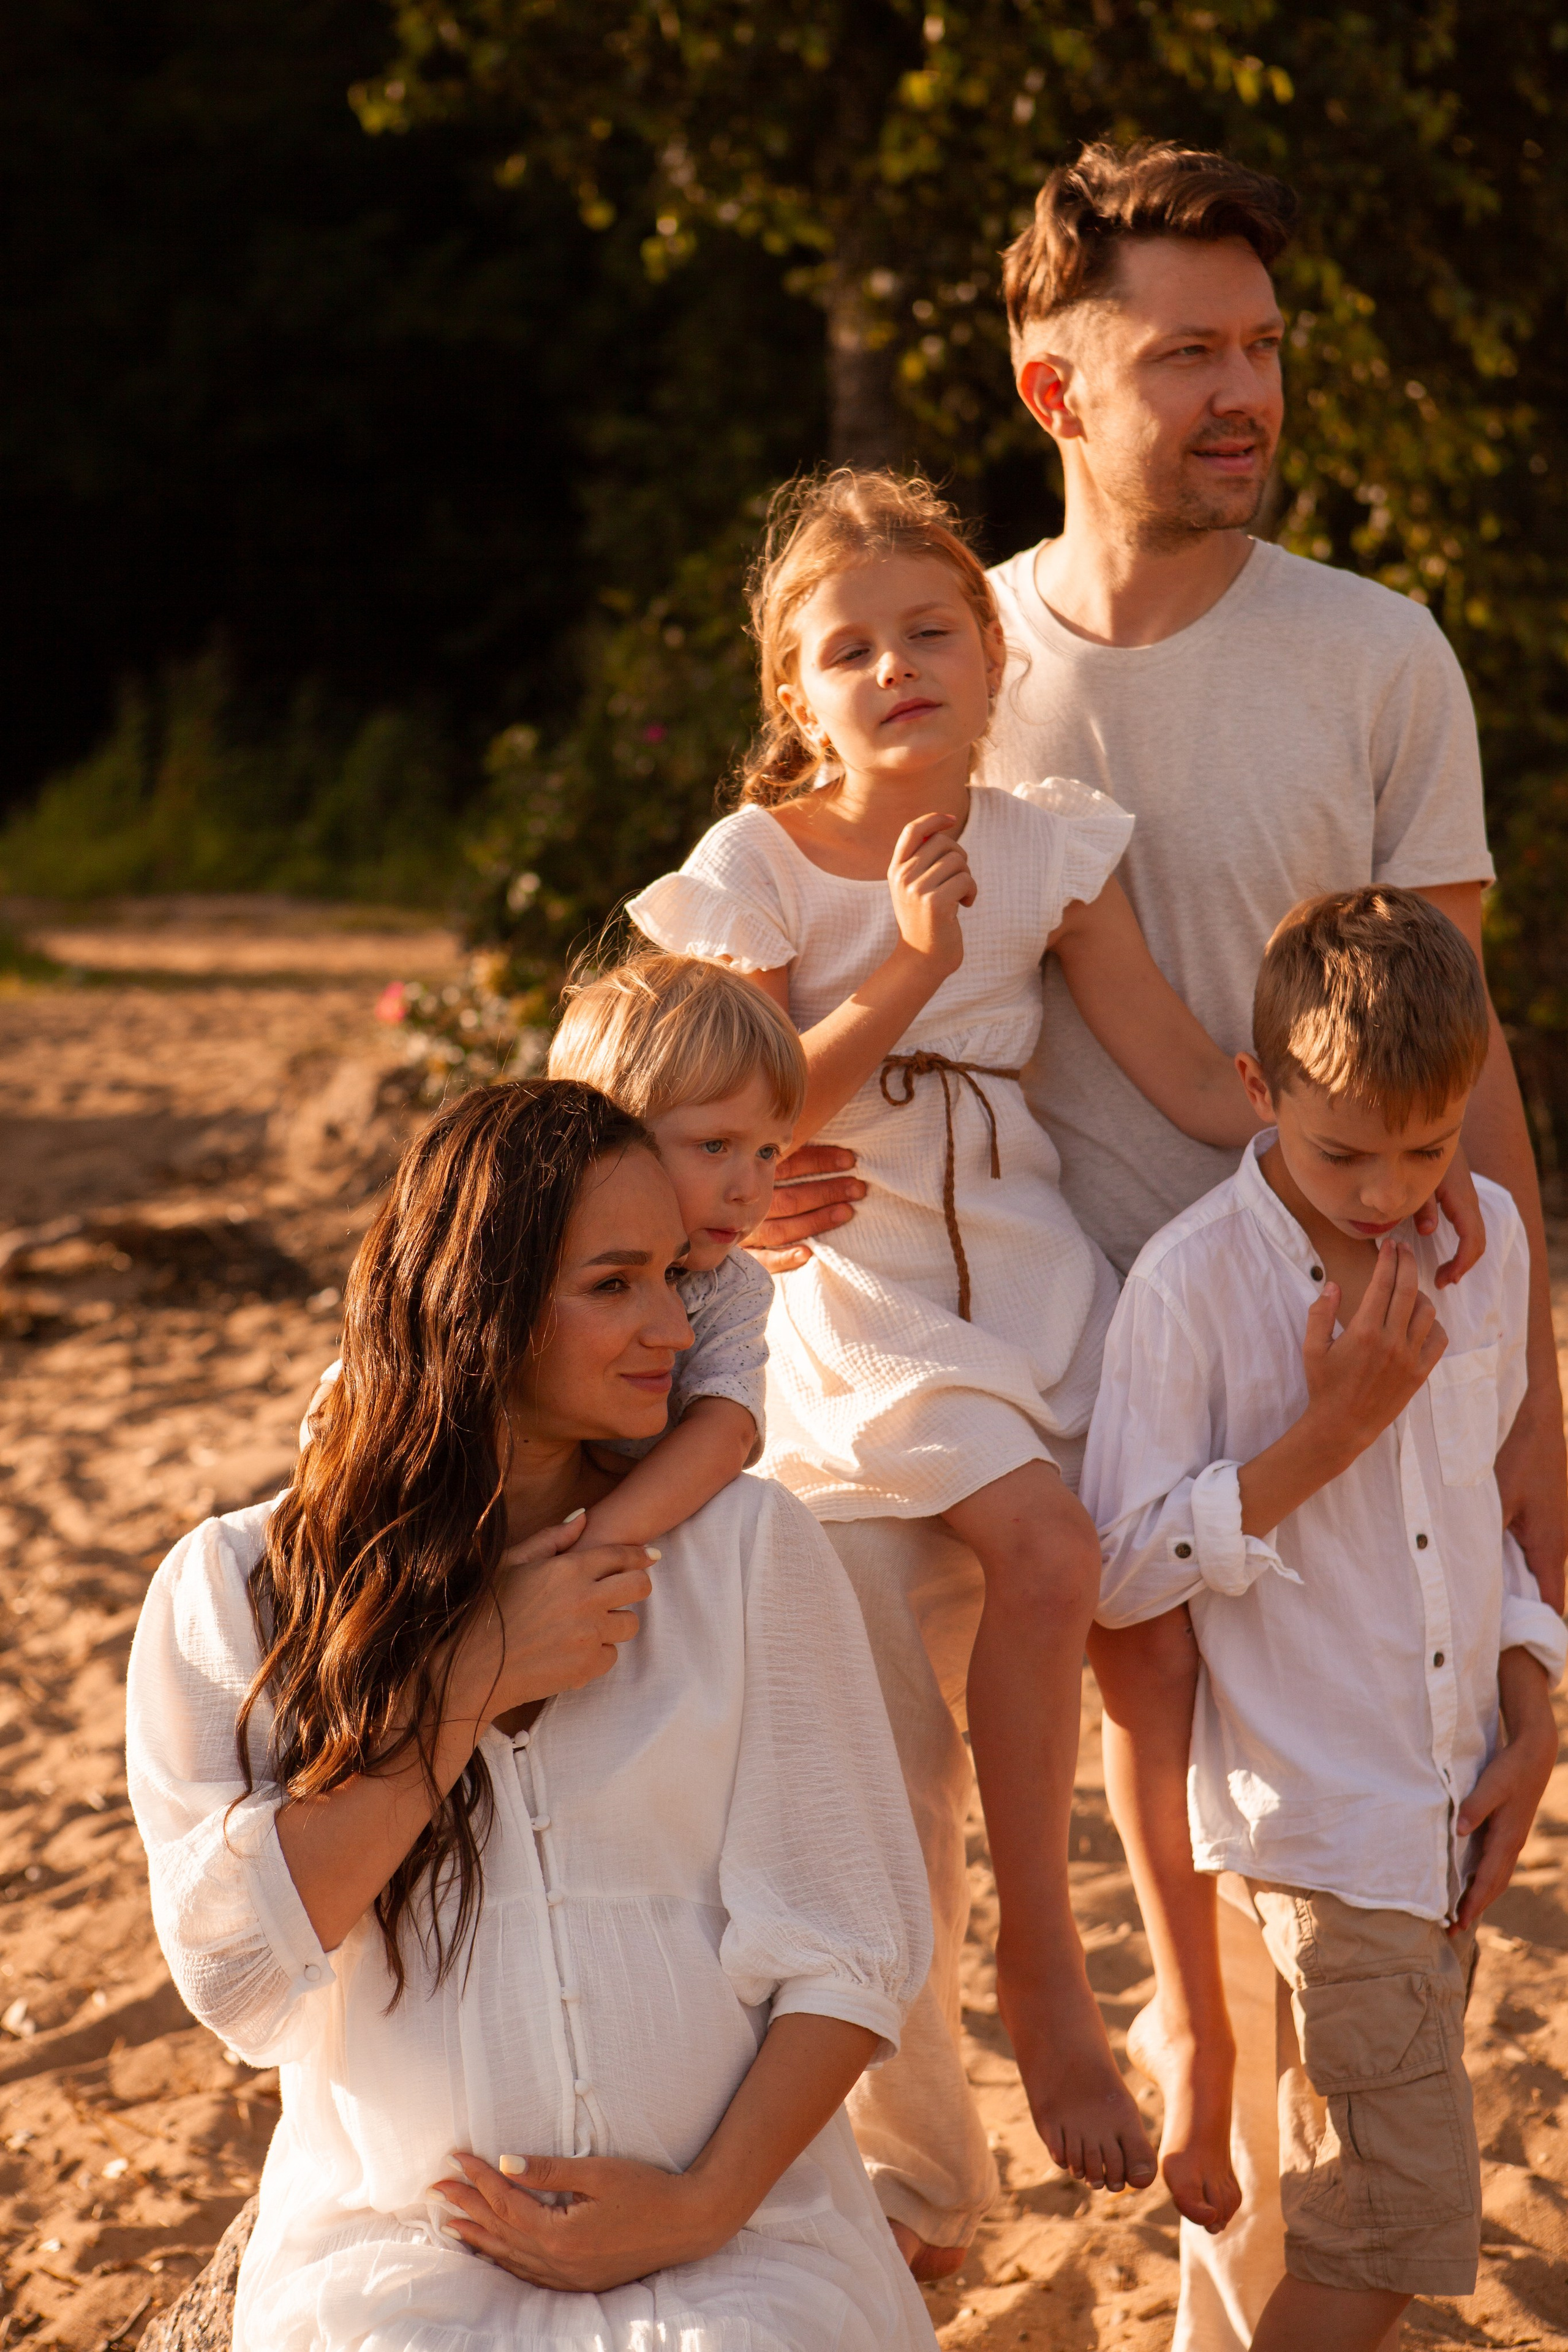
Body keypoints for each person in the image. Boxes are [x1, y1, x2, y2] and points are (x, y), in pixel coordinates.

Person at [748, 136, 1559, 2233]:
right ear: (1054, 386)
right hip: (959, 1339)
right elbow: (780, 932)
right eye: (1188, 349)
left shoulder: (1381, 655)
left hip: (1276, 1352)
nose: (1246, 394)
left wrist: (1531, 1416)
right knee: (864, 1800)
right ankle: (913, 2225)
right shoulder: (934, 640)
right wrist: (724, 1180)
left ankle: (1229, 2253)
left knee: (1276, 1849)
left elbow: (1449, 1056)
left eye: (1265, 348)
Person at [627, 465, 1265, 2271]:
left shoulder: (1054, 839)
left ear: (991, 657)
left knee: (1104, 1601)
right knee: (1024, 1583)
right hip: (866, 1294)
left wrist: (1365, 1152)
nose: (894, 667)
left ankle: (1135, 2017)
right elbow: (745, 1111)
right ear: (794, 693)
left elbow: (1182, 1073)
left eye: (930, 632)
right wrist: (907, 961)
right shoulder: (758, 867)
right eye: (847, 648)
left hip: (1037, 1286)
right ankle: (1037, 1976)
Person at [126, 1079, 938, 2352]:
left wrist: (693, 2210)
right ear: (477, 1310)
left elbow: (846, 1951)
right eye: (612, 1283)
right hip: (394, 2256)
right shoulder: (238, 1590)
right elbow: (236, 1968)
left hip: (746, 2244)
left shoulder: (743, 1553)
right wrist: (464, 1680)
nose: (673, 1324)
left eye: (674, 1275)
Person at [1086, 887, 1565, 2352]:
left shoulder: (1479, 1236)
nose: (1383, 1189)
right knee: (1393, 2221)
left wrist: (1533, 1697)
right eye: (1340, 1149)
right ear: (1257, 1092)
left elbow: (1480, 1514)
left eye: (1422, 1145)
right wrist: (1327, 1429)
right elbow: (1116, 1573)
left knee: (1346, 2196)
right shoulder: (1191, 1283)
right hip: (1315, 1823)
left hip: (1452, 1805)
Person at [545, 951, 801, 1547]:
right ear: (615, 1129)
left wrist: (593, 1544)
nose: (750, 1189)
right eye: (715, 1146)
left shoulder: (732, 1287)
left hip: (626, 1526)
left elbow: (725, 1429)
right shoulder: (534, 1239)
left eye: (769, 1152)